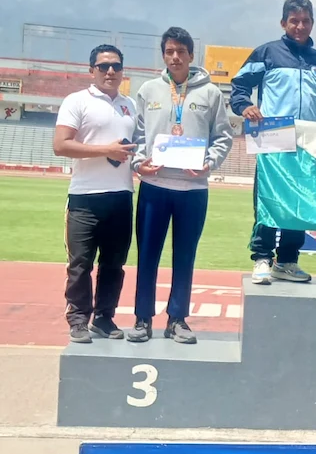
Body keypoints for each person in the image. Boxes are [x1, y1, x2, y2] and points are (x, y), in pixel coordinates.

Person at [128, 27, 233, 345]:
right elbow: (136, 135)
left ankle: (177, 319)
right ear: (164, 54)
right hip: (154, 185)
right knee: (147, 255)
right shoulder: (148, 90)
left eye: (181, 52)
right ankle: (142, 319)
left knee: (185, 255)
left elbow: (224, 136)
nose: (175, 57)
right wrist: (138, 163)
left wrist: (209, 162)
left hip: (193, 188)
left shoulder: (211, 93)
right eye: (169, 51)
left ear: (191, 55)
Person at [230, 0, 316, 285]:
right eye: (294, 21)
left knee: (298, 202)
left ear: (312, 23)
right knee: (269, 199)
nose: (300, 26)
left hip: (307, 141)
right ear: (283, 23)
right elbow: (239, 85)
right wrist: (244, 106)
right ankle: (262, 257)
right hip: (273, 136)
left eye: (305, 21)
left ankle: (287, 260)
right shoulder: (267, 53)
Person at [54, 45, 136, 344]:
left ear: (122, 71)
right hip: (85, 198)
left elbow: (134, 147)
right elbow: (61, 145)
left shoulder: (130, 105)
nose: (110, 71)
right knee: (80, 265)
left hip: (122, 196)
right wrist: (106, 150)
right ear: (92, 71)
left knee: (114, 264)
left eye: (116, 66)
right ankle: (77, 319)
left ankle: (104, 317)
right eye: (103, 67)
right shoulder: (77, 101)